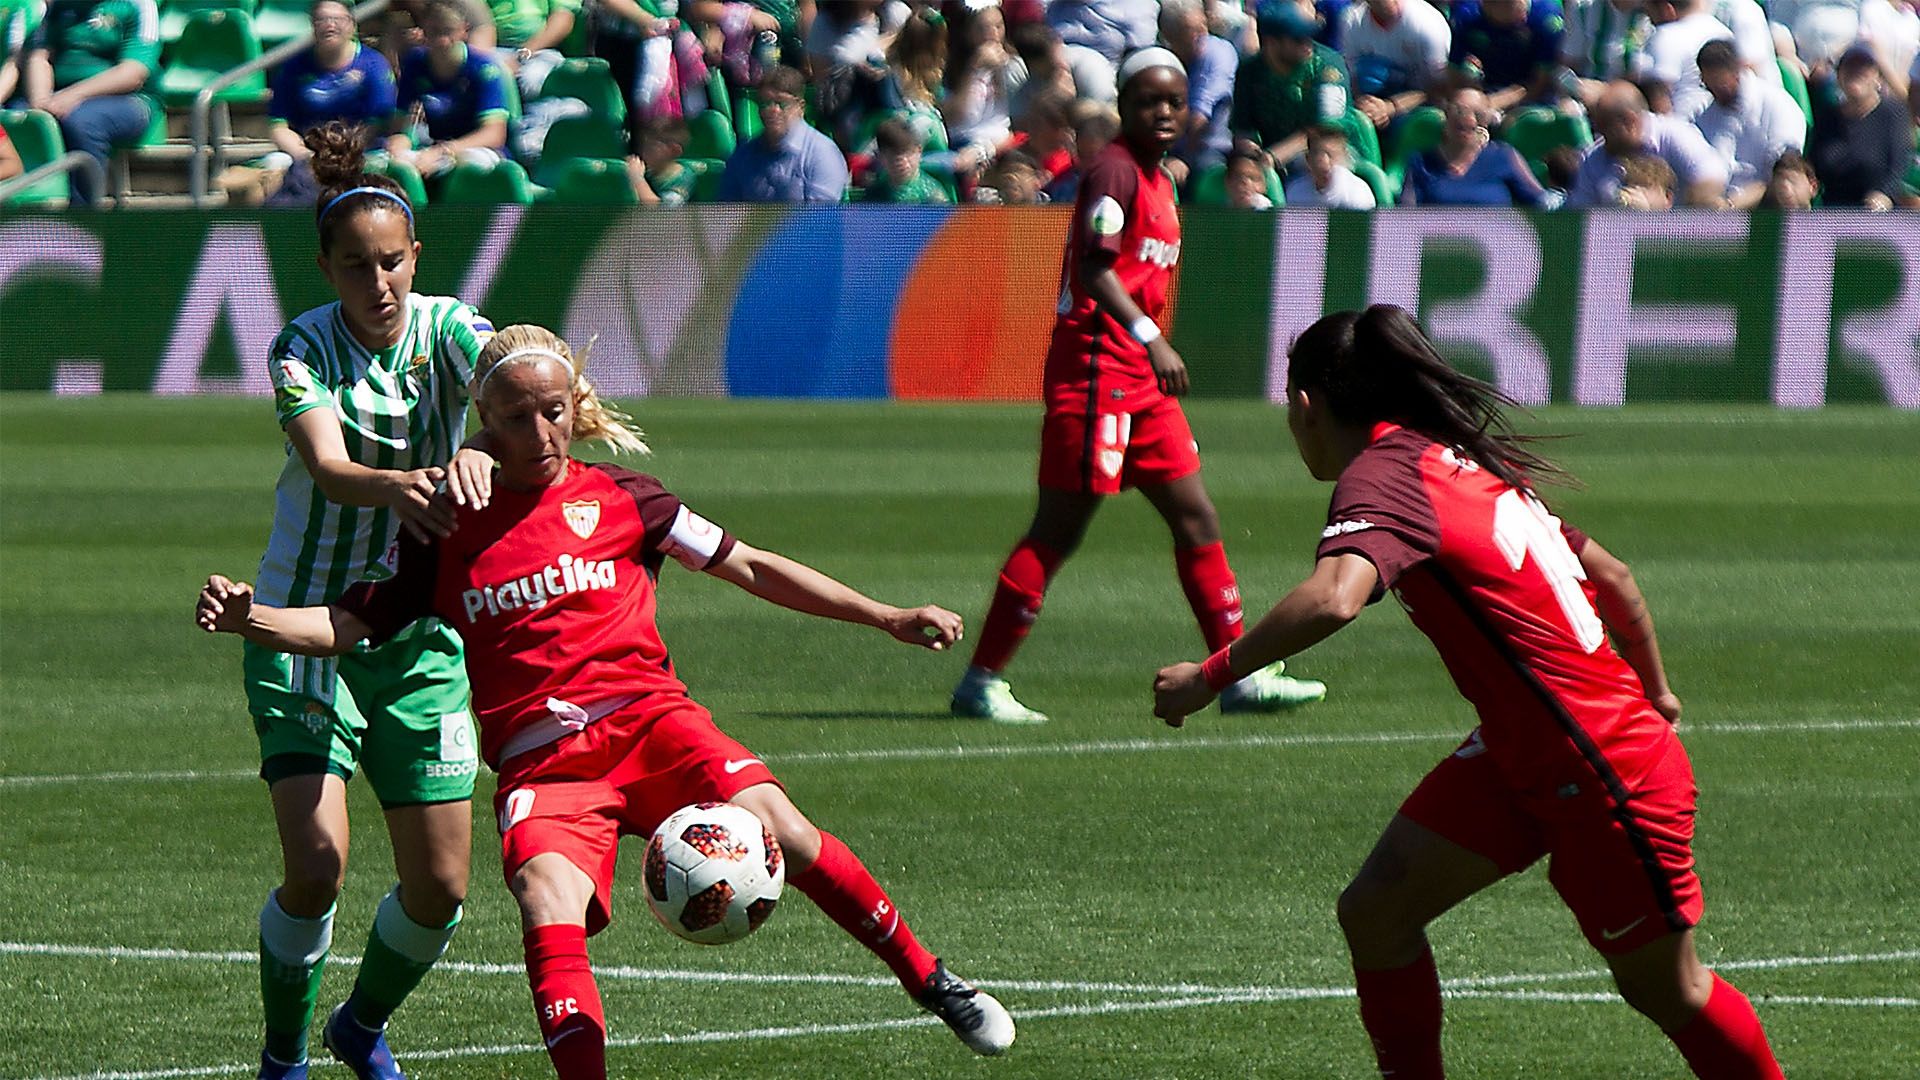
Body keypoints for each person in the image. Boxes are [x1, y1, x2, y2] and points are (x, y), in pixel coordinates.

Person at [197, 323, 1019, 1079]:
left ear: (575, 405)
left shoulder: (628, 498)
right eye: (515, 419)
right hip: (546, 766)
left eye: (553, 412)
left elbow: (749, 564)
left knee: (788, 829)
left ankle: (931, 980)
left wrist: (883, 615)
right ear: (484, 422)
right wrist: (251, 618)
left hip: (655, 725)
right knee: (544, 899)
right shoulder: (447, 529)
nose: (539, 433)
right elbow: (343, 626)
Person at [1153, 304, 1786, 1080]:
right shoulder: (1455, 464)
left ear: (1307, 405)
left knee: (1668, 989)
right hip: (1533, 749)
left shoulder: (1382, 474)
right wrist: (1658, 692)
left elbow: (1335, 598)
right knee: (1377, 910)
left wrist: (1209, 676)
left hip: (1596, 763)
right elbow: (1614, 578)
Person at [232, 121, 499, 1080]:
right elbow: (329, 466)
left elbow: (517, 375)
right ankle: (284, 1057)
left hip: (419, 635)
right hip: (307, 627)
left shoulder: (453, 327)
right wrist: (409, 484)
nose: (377, 283)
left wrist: (485, 445)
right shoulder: (300, 345)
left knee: (442, 886)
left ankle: (360, 1023)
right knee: (317, 866)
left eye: (391, 262)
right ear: (326, 268)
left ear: (416, 256)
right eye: (355, 266)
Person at [952, 47, 1326, 725]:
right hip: (1099, 372)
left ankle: (1239, 676)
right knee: (1058, 528)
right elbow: (1095, 270)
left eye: (1174, 102)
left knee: (1196, 517)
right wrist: (1151, 338)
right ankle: (981, 682)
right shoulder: (1114, 172)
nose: (1164, 113)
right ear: (1125, 105)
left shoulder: (1157, 178)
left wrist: (1147, 349)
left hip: (1139, 382)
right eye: (1150, 101)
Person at [248, 1, 398, 205]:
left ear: (352, 25)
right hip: (307, 153)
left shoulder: (374, 65)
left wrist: (341, 155)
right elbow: (278, 126)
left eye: (337, 19)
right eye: (322, 20)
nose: (330, 25)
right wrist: (305, 155)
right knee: (266, 176)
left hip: (362, 152)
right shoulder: (293, 67)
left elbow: (377, 123)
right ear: (312, 26)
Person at [15, 0, 158, 205]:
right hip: (58, 95)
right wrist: (40, 101)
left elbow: (134, 73)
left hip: (127, 100)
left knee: (81, 121)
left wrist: (73, 95)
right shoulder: (57, 7)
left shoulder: (138, 5)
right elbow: (39, 57)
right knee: (19, 116)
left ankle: (83, 212)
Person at [388, 0, 512, 184]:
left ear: (464, 30)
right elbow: (401, 123)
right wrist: (399, 145)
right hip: (432, 148)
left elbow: (494, 134)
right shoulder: (415, 63)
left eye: (448, 31)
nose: (442, 41)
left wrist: (445, 151)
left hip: (477, 151)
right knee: (395, 164)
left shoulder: (483, 68)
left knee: (469, 163)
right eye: (433, 32)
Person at [1231, 1, 1353, 173]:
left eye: (1309, 35)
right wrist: (1249, 152)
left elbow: (1326, 131)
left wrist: (1273, 157)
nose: (1308, 44)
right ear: (1271, 43)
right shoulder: (1249, 71)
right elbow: (1243, 129)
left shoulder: (1328, 66)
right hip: (1271, 157)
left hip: (1331, 156)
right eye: (1298, 39)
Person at [1568, 79, 1729, 205]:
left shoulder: (1674, 134)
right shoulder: (1593, 160)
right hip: (1617, 236)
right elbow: (1580, 215)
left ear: (1630, 121)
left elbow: (1712, 176)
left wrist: (1658, 217)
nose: (1600, 135)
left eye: (1606, 127)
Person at [1692, 39, 1806, 207]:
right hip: (1719, 211)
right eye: (1709, 85)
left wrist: (1732, 206)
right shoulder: (1705, 118)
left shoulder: (1779, 105)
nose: (1715, 91)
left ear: (1737, 70)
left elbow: (1782, 176)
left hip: (1770, 209)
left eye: (1721, 84)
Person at [1400, 84, 1552, 205]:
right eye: (1459, 112)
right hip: (1438, 235)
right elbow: (1406, 217)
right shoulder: (1421, 162)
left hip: (1493, 235)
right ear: (1446, 115)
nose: (1469, 120)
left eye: (1478, 114)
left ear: (1486, 121)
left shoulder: (1503, 156)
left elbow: (1541, 201)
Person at [717, 63, 848, 202]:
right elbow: (727, 208)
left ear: (800, 107)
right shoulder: (743, 156)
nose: (773, 110)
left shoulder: (822, 153)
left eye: (782, 103)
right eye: (765, 103)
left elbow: (820, 215)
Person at [1808, 44, 1913, 208]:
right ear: (1838, 76)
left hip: (1877, 211)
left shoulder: (1893, 113)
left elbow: (1900, 164)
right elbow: (1814, 165)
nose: (1856, 73)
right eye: (1849, 67)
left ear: (1877, 77)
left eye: (1864, 68)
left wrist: (1884, 195)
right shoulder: (1827, 116)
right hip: (1831, 210)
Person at [1339, 0, 1451, 131]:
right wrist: (1367, 107)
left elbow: (1437, 89)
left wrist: (1390, 107)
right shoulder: (1352, 20)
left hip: (1416, 104)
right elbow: (1352, 75)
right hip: (1372, 99)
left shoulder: (1429, 25)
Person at [1159, 0, 1238, 174]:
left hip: (1208, 148)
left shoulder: (1218, 53)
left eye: (1203, 24)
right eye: (1192, 30)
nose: (1203, 33)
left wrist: (1182, 160)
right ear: (1170, 36)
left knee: (1204, 166)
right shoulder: (1160, 59)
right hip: (1168, 144)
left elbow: (1199, 118)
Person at [1446, 0, 1566, 112]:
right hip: (1483, 89)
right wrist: (1470, 87)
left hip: (1531, 97)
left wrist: (1494, 102)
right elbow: (1453, 74)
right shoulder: (1466, 16)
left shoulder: (1547, 19)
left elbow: (1542, 82)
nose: (1523, 16)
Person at [1635, 0, 1734, 117]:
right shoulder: (1724, 32)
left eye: (1650, 13)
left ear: (1667, 10)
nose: (1651, 20)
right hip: (1726, 122)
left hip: (1682, 122)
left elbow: (1660, 100)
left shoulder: (1665, 36)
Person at [1284, 123, 1378, 205]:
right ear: (1308, 159)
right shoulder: (1295, 192)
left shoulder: (1358, 195)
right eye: (1318, 155)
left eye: (1332, 155)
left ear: (1345, 156)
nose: (1325, 163)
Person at [863, 114, 948, 202]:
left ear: (919, 151)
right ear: (880, 157)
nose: (903, 162)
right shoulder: (875, 192)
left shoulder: (931, 195)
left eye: (908, 154)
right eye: (893, 157)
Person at [1223, 140, 1276, 206]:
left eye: (1254, 178)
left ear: (1265, 187)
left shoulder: (1271, 210)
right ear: (1227, 182)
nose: (1245, 182)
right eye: (1237, 177)